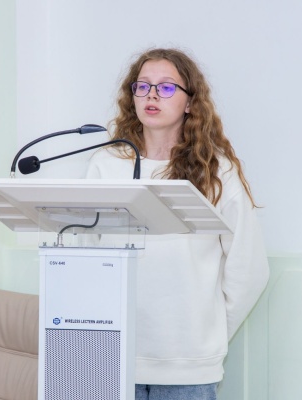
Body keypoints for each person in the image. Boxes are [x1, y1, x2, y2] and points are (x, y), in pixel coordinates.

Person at [85, 48, 269, 400]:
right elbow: (89, 259)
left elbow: (249, 270)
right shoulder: (105, 165)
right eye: (142, 86)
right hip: (112, 357)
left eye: (166, 87)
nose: (152, 95)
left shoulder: (216, 172)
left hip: (189, 369)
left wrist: (207, 337)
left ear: (189, 102)